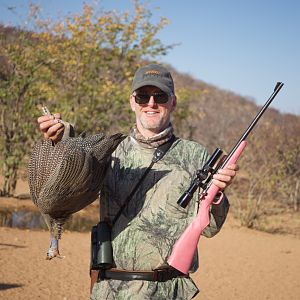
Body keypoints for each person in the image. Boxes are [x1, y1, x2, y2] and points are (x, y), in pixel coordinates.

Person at [37, 64, 238, 299]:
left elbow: (211, 228)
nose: (151, 103)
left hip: (169, 291)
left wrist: (218, 194)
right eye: (143, 96)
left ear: (173, 102)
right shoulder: (109, 150)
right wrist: (59, 139)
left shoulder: (196, 156)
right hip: (110, 291)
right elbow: (74, 167)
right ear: (133, 102)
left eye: (159, 96)